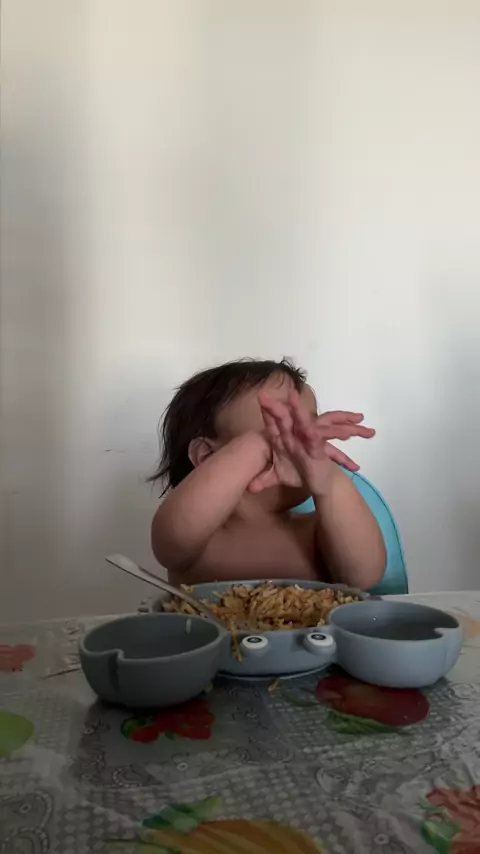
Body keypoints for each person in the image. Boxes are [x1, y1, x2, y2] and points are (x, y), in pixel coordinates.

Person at [150, 358, 386, 590]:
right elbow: (172, 539)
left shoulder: (317, 533)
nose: (301, 444)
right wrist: (261, 444)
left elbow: (364, 578)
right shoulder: (198, 539)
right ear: (207, 456)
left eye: (311, 431)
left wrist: (330, 481)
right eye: (282, 429)